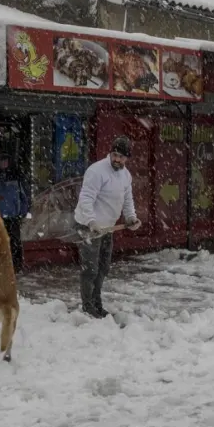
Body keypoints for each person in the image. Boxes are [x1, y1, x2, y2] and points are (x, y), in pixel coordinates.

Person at [73, 135, 142, 318]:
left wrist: (131, 217)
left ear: (127, 158)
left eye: (121, 157)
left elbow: (127, 199)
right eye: (115, 155)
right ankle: (88, 307)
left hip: (107, 228)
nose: (117, 159)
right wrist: (91, 221)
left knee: (103, 267)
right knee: (90, 269)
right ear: (110, 153)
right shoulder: (96, 171)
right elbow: (86, 198)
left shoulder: (126, 176)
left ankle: (97, 303)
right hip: (88, 227)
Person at [0, 153, 30, 273]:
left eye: (5, 161)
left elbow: (24, 196)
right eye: (1, 161)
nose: (3, 163)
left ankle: (16, 266)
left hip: (13, 215)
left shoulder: (17, 176)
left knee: (14, 241)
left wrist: (23, 211)